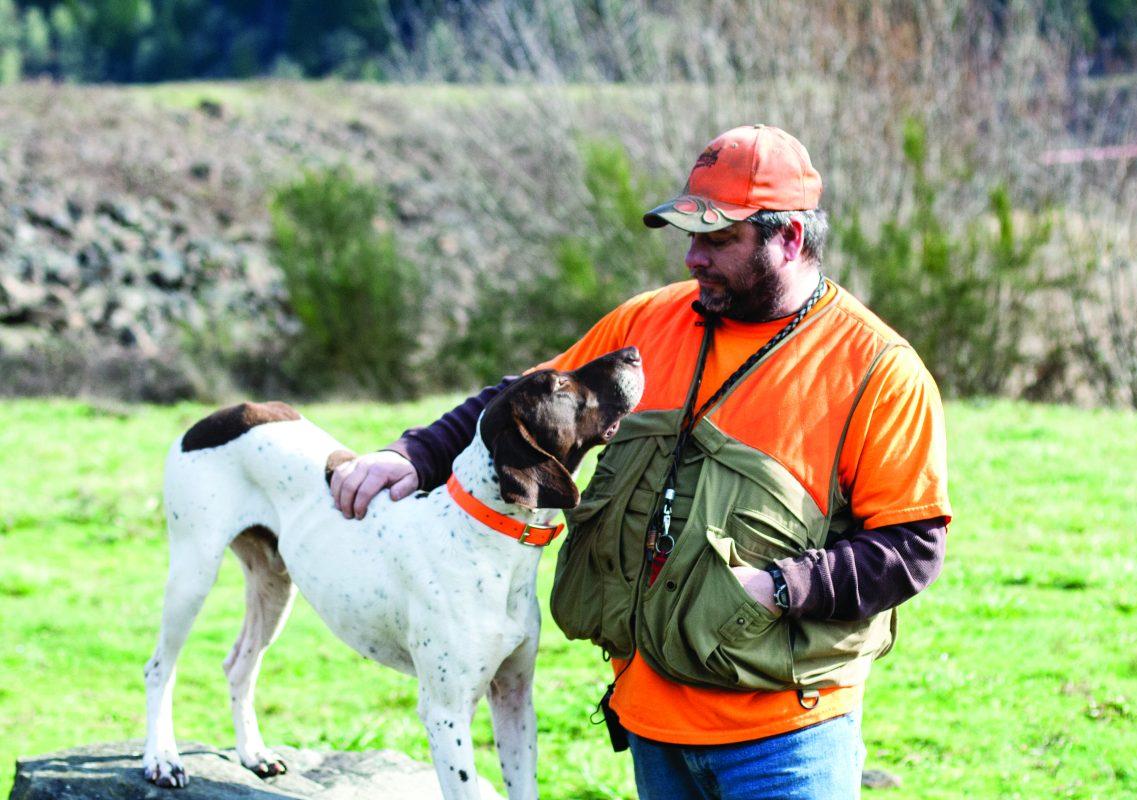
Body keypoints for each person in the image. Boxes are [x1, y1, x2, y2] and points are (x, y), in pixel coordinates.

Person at [329, 124, 952, 800]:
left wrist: (780, 588)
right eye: (689, 236)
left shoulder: (878, 371)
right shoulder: (648, 323)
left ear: (790, 239)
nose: (693, 258)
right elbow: (522, 401)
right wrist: (414, 455)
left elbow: (913, 545)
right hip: (651, 724)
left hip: (787, 738)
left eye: (719, 240)